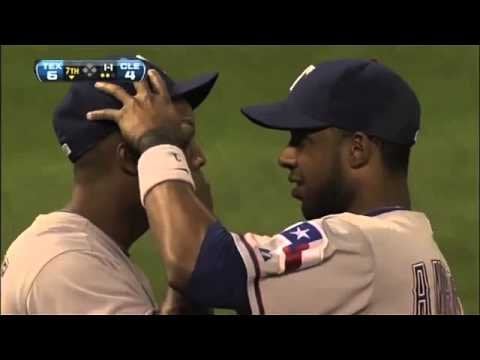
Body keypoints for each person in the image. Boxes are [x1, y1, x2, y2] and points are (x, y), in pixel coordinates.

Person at [87, 58, 464, 315]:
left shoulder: (357, 244)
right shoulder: (420, 252)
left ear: (357, 149)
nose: (286, 156)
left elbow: (200, 265)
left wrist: (156, 142)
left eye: (302, 138)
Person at [0, 56, 218, 315]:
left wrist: (195, 253)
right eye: (178, 139)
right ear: (129, 159)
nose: (199, 157)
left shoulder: (87, 253)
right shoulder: (68, 266)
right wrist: (198, 247)